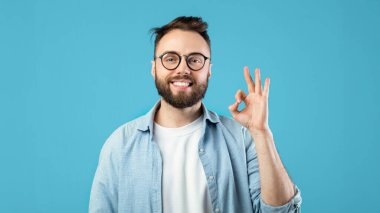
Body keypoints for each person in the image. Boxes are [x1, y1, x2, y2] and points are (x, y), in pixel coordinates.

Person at [89, 16, 302, 213]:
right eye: (170, 59)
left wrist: (261, 133)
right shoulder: (119, 146)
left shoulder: (242, 139)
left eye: (195, 59)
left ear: (209, 69)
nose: (183, 69)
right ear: (154, 68)